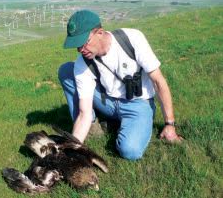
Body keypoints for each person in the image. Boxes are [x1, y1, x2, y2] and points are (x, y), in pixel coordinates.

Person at [58, 10, 183, 160]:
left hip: (138, 103)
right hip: (107, 102)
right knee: (66, 70)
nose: (80, 50)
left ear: (100, 32)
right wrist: (73, 148)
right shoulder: (82, 63)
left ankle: (123, 124)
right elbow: (84, 112)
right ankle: (93, 129)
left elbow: (158, 81)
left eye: (83, 43)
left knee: (130, 151)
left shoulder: (132, 39)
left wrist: (169, 124)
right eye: (76, 45)